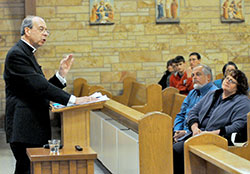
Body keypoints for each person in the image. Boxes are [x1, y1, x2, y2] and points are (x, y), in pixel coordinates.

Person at [4, 16, 97, 174]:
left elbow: (38, 89)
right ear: (27, 30)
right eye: (41, 29)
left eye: (47, 30)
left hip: (31, 126)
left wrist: (61, 75)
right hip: (24, 126)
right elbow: (41, 87)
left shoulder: (26, 53)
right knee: (26, 169)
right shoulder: (17, 55)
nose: (45, 34)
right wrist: (74, 100)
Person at [173, 69, 250, 174]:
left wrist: (211, 133)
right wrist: (194, 128)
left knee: (177, 150)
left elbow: (237, 126)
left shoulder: (242, 102)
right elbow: (193, 112)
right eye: (227, 78)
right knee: (171, 147)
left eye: (232, 81)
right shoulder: (214, 93)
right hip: (198, 134)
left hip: (217, 140)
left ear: (239, 87)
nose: (227, 81)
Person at [173, 64, 218, 143]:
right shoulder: (192, 93)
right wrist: (177, 130)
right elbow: (181, 114)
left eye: (198, 74)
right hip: (182, 134)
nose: (194, 77)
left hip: (197, 136)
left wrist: (186, 132)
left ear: (208, 77)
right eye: (193, 75)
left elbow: (207, 122)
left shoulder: (215, 94)